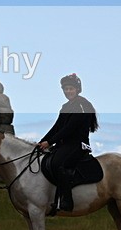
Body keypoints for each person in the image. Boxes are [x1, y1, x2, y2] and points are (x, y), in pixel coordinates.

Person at [37, 73, 99, 213]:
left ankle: (66, 200)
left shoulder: (82, 106)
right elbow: (57, 127)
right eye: (66, 89)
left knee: (59, 163)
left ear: (77, 89)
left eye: (71, 88)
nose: (68, 91)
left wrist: (50, 142)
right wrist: (42, 142)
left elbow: (68, 129)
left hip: (78, 144)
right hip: (65, 144)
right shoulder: (65, 107)